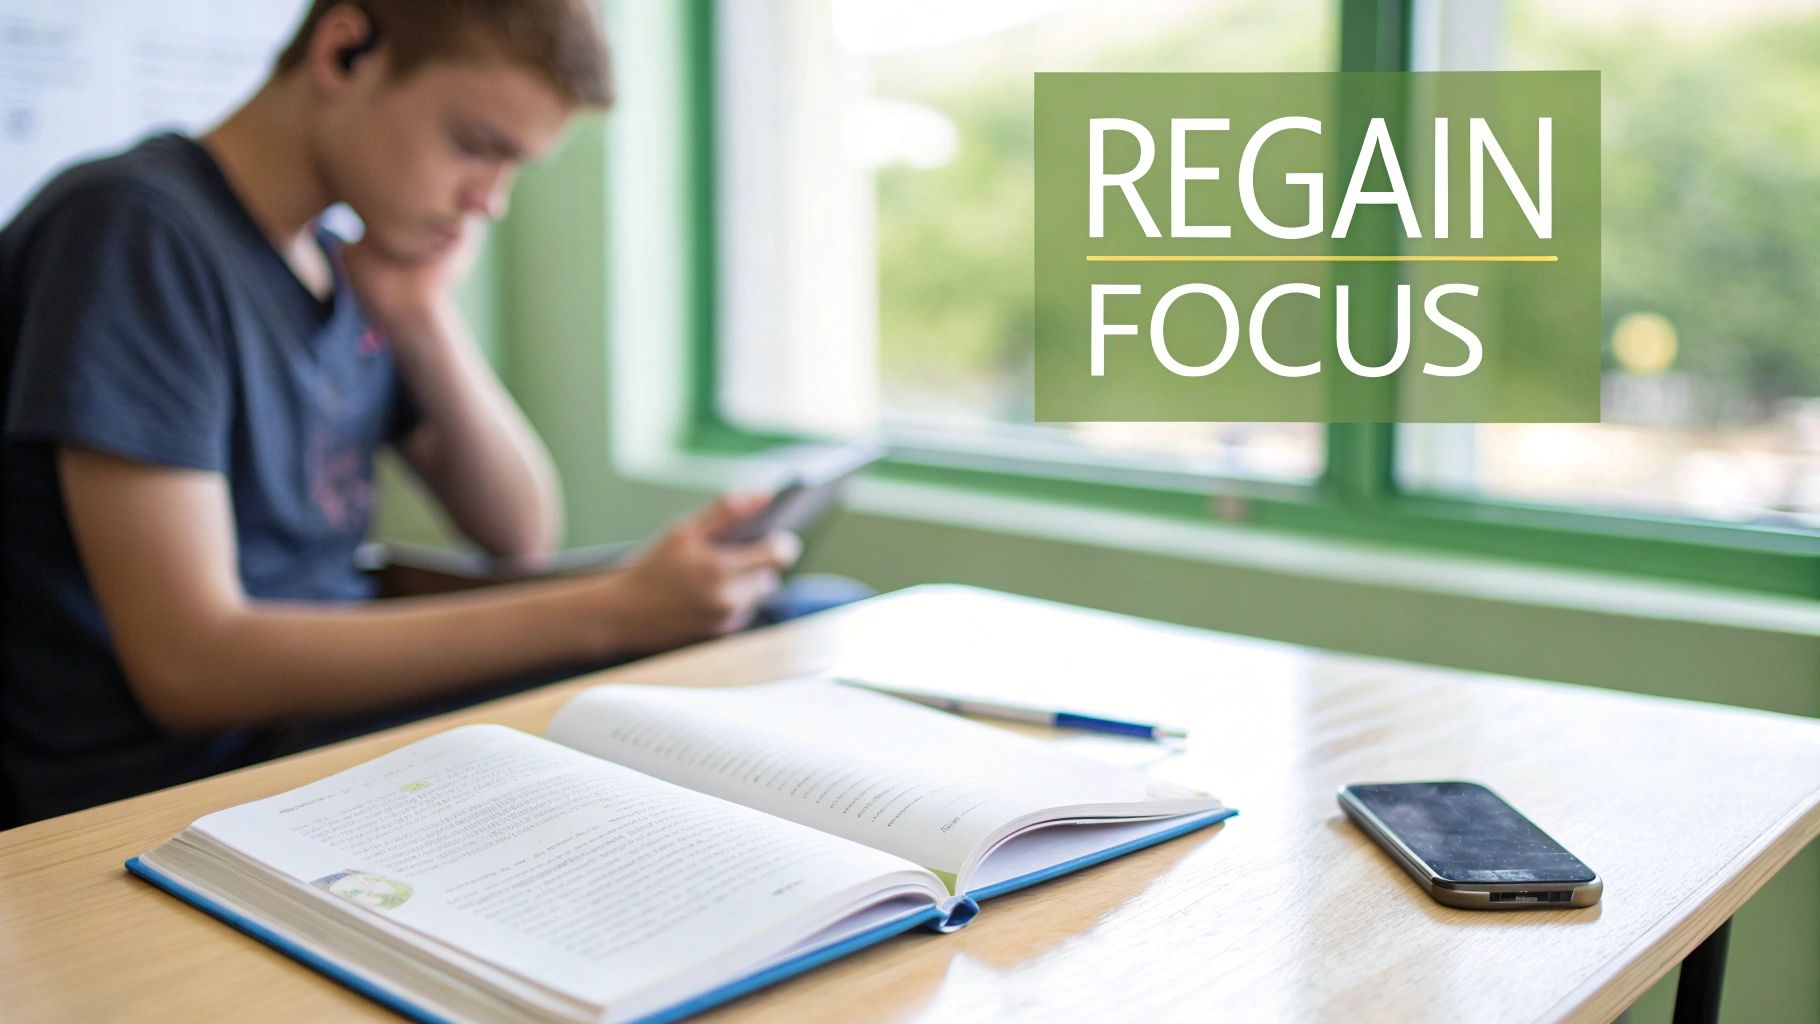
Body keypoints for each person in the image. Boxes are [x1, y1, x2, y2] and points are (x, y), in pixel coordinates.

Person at [0, 0, 809, 826]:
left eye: (513, 167)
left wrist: (422, 313)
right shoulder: (134, 232)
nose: (489, 201)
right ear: (345, 52)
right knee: (748, 641)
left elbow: (518, 530)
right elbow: (190, 666)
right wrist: (613, 611)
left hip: (305, 729)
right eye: (475, 147)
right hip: (180, 774)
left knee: (796, 615)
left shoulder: (336, 259)